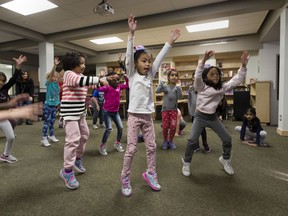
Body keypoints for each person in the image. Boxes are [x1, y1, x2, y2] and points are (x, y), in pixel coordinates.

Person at [120, 14, 180, 197]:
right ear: (135, 63)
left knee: (152, 147)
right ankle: (125, 178)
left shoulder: (150, 75)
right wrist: (131, 34)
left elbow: (161, 57)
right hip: (133, 116)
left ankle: (151, 174)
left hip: (148, 117)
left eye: (149, 61)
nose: (147, 64)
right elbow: (129, 54)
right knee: (131, 149)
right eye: (144, 61)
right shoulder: (131, 73)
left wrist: (169, 41)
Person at [182, 50, 250, 177]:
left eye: (217, 74)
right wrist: (203, 61)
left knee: (227, 139)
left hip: (212, 117)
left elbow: (237, 80)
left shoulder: (222, 88)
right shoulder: (200, 86)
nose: (216, 76)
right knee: (192, 140)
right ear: (206, 76)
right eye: (212, 74)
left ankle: (225, 159)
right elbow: (197, 76)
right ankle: (186, 162)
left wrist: (243, 65)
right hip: (200, 116)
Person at [59, 52, 104, 190]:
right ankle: (67, 171)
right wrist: (99, 79)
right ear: (73, 65)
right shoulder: (68, 74)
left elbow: (90, 85)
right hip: (69, 114)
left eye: (84, 63)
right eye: (82, 63)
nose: (84, 66)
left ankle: (77, 159)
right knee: (73, 139)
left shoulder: (82, 76)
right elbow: (81, 82)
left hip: (80, 113)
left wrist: (107, 82)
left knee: (84, 135)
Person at [0, 55, 28, 163]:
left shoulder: (4, 89)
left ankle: (6, 155)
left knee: (11, 137)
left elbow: (13, 79)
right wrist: (10, 105)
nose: (1, 83)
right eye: (0, 81)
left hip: (3, 117)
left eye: (3, 81)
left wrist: (18, 65)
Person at [97, 71, 129, 156]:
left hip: (115, 112)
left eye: (118, 80)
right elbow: (99, 88)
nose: (117, 81)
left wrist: (125, 77)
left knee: (121, 128)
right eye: (115, 80)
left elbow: (127, 85)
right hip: (107, 112)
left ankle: (117, 143)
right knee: (109, 129)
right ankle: (102, 146)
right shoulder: (107, 88)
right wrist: (101, 79)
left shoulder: (119, 86)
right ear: (110, 82)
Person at [155, 69, 182, 150]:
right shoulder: (165, 86)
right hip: (165, 110)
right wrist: (161, 83)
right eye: (172, 75)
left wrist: (179, 88)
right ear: (169, 77)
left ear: (177, 78)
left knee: (173, 126)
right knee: (165, 126)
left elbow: (180, 97)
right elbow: (157, 91)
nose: (174, 77)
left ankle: (170, 141)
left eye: (176, 75)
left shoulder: (177, 88)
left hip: (174, 110)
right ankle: (165, 141)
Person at [41, 57, 61, 147]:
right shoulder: (49, 83)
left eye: (56, 77)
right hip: (47, 106)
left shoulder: (57, 85)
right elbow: (52, 73)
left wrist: (59, 104)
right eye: (53, 76)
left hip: (54, 106)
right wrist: (55, 65)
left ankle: (51, 135)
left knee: (52, 122)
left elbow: (57, 95)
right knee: (47, 123)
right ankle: (44, 138)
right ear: (50, 77)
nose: (55, 78)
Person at [187, 84, 211, 153]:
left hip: (202, 112)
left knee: (202, 129)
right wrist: (190, 110)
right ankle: (196, 145)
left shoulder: (204, 88)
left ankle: (205, 144)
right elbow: (189, 100)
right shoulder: (191, 88)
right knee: (195, 129)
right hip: (193, 112)